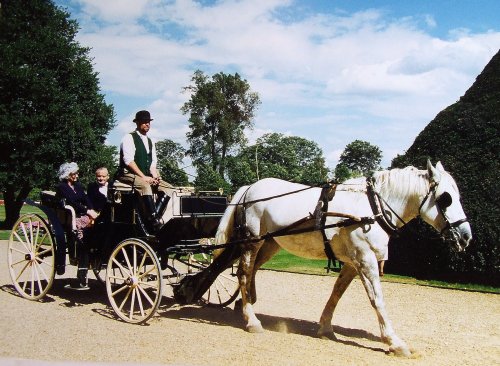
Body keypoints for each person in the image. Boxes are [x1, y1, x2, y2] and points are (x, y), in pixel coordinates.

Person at [116, 110, 174, 233]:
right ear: (137, 123)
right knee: (145, 186)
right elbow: (129, 161)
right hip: (127, 174)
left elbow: (153, 163)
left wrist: (155, 176)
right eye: (144, 122)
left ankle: (154, 216)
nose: (147, 124)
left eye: (148, 122)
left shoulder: (150, 141)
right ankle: (154, 221)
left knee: (169, 189)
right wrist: (144, 177)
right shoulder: (129, 138)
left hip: (146, 175)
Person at [56, 162, 98, 290]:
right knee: (83, 239)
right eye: (74, 174)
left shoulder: (78, 186)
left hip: (83, 214)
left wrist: (92, 209)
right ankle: (81, 275)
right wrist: (87, 211)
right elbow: (72, 202)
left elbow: (85, 198)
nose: (76, 175)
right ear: (68, 175)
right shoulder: (62, 187)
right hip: (71, 216)